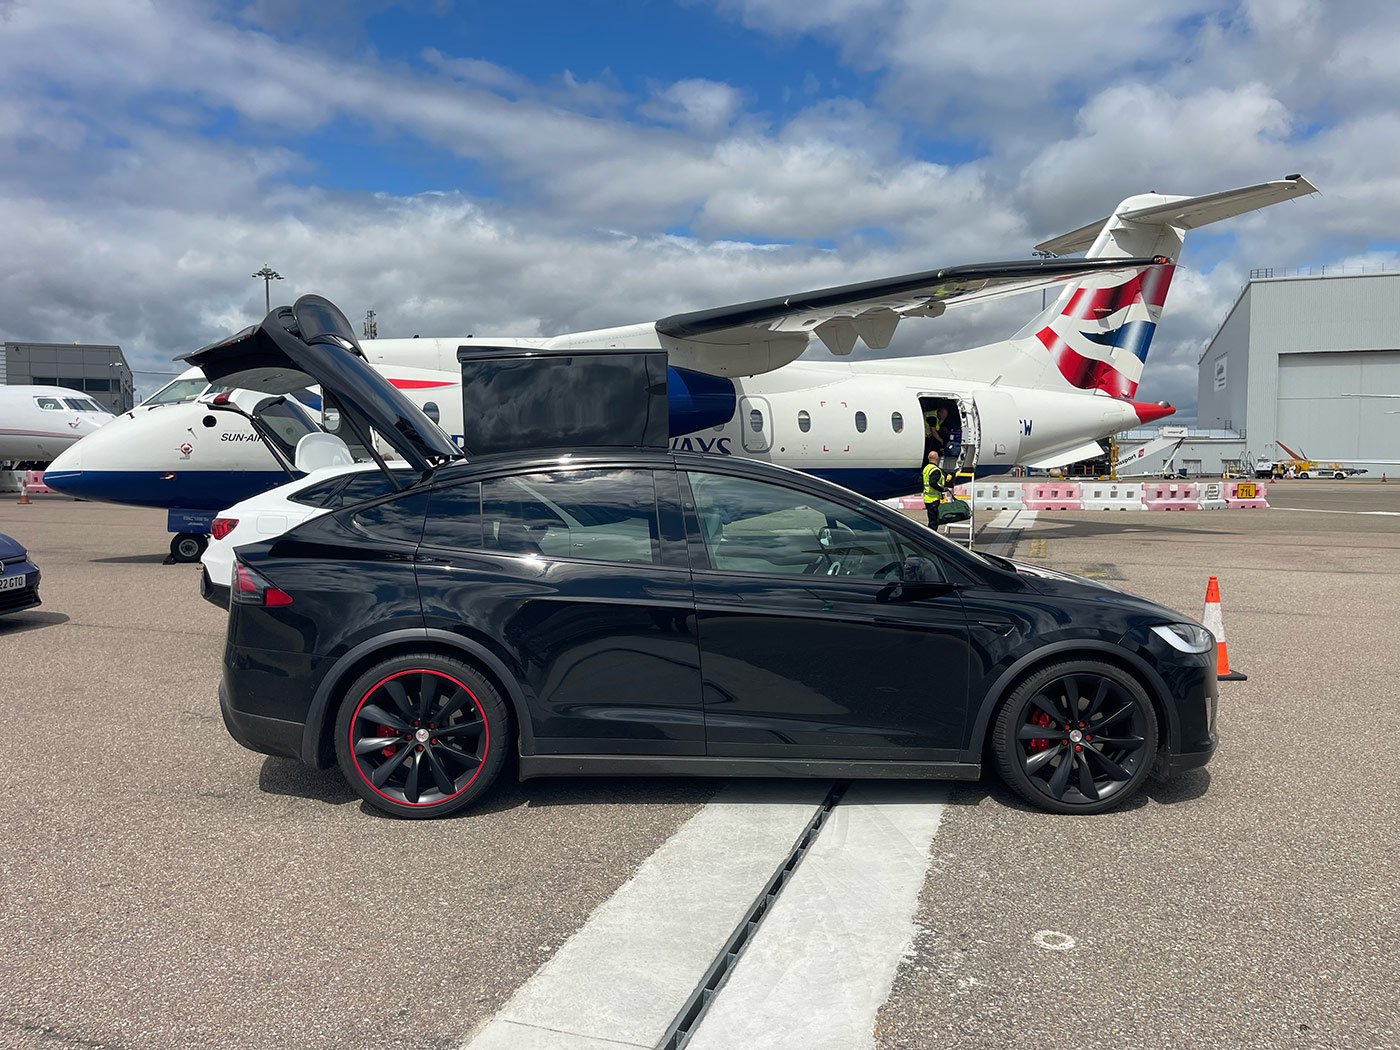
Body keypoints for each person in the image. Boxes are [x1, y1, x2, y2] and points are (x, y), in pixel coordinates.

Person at [921, 451, 950, 528]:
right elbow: (932, 483)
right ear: (937, 458)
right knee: (934, 522)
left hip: (927, 499)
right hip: (934, 500)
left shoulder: (926, 468)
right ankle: (930, 538)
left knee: (931, 520)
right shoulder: (935, 470)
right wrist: (942, 489)